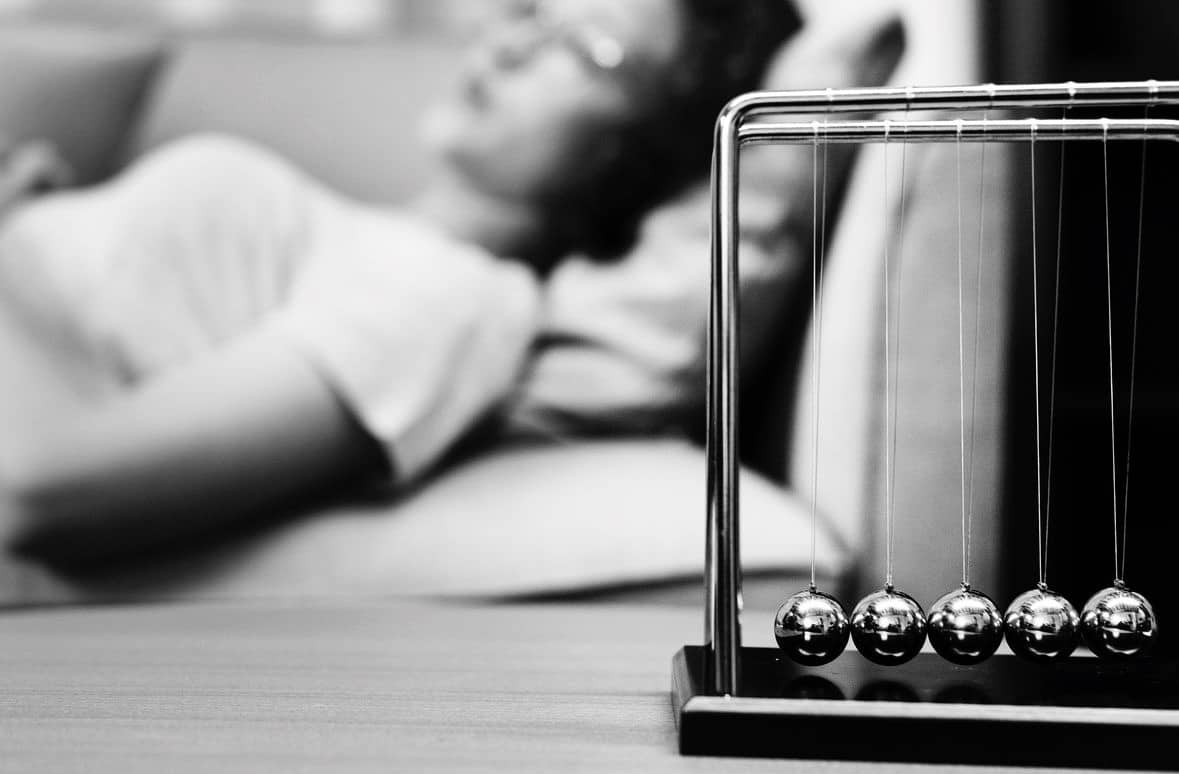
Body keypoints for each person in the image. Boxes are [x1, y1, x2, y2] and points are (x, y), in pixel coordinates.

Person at [0, 0, 799, 561]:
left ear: (636, 152)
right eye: (532, 13)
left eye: (587, 46)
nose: (509, 45)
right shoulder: (369, 240)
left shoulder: (453, 301)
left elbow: (41, 490)